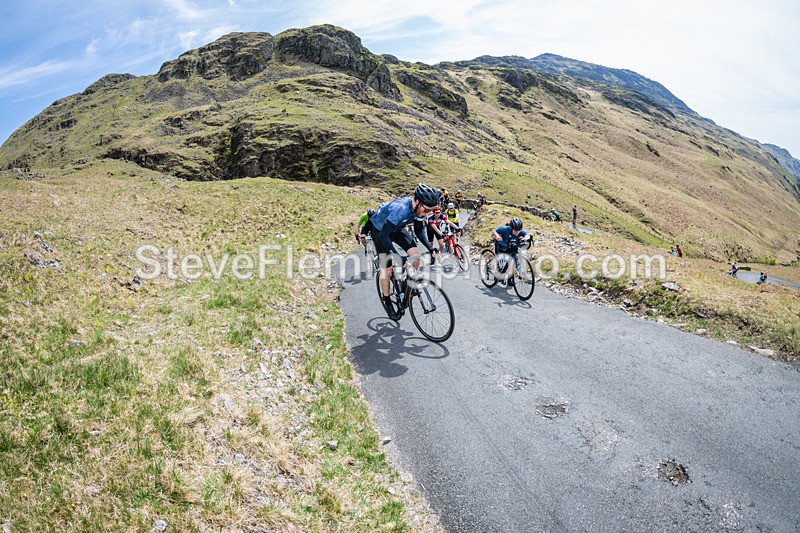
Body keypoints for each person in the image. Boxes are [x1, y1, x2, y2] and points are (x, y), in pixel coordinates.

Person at [370, 183, 440, 320]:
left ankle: (406, 287)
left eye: (430, 211)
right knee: (387, 270)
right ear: (417, 202)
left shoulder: (420, 209)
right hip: (381, 231)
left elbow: (419, 230)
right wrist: (396, 256)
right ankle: (387, 301)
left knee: (416, 257)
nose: (426, 213)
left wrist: (430, 247)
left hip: (397, 228)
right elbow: (383, 236)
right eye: (426, 210)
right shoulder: (401, 208)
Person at [492, 218, 531, 285]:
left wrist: (526, 238)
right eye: (515, 231)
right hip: (501, 246)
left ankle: (510, 279)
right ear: (511, 228)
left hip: (511, 247)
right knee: (500, 263)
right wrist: (497, 236)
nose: (517, 232)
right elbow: (494, 231)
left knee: (512, 260)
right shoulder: (505, 229)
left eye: (518, 231)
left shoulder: (520, 231)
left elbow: (526, 235)